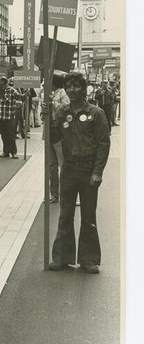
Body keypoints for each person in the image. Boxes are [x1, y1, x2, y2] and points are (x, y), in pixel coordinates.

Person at [48, 72, 110, 274]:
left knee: (88, 216)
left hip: (88, 169)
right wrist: (48, 116)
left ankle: (89, 259)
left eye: (76, 86)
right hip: (68, 169)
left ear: (84, 89)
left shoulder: (96, 113)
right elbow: (54, 138)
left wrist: (98, 171)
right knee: (65, 214)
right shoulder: (62, 112)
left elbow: (103, 143)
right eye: (69, 86)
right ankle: (61, 257)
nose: (73, 90)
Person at [47, 74, 70, 203]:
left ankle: (66, 194)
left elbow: (65, 109)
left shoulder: (62, 93)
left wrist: (53, 102)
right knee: (51, 165)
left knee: (63, 164)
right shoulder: (50, 93)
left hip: (58, 132)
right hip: (50, 131)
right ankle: (54, 193)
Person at [0, 76, 22, 159]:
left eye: (0, 82)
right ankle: (6, 151)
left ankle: (14, 152)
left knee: (11, 134)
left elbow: (19, 96)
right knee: (3, 135)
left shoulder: (11, 90)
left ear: (4, 82)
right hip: (1, 116)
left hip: (9, 115)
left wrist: (25, 95)